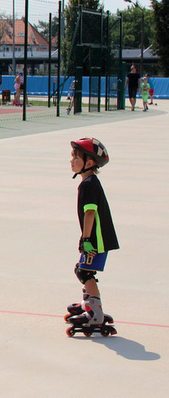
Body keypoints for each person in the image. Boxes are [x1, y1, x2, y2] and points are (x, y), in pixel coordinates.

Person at [66, 138, 119, 329]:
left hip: (97, 240)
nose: (71, 161)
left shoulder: (88, 185)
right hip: (96, 238)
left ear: (89, 163)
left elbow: (90, 213)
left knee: (84, 271)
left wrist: (87, 239)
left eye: (76, 158)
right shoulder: (89, 182)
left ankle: (95, 313)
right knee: (82, 269)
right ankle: (89, 304)